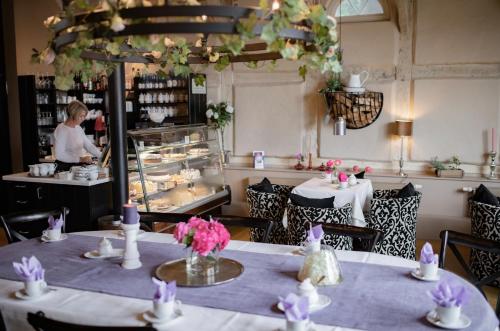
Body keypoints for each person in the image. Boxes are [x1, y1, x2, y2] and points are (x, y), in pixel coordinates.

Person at [54, 100, 102, 172]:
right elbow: (59, 155)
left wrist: (102, 156)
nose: (83, 119)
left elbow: (89, 146)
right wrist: (81, 159)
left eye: (84, 116)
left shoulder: (78, 128)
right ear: (73, 114)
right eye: (81, 116)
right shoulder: (62, 129)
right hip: (64, 169)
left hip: (76, 166)